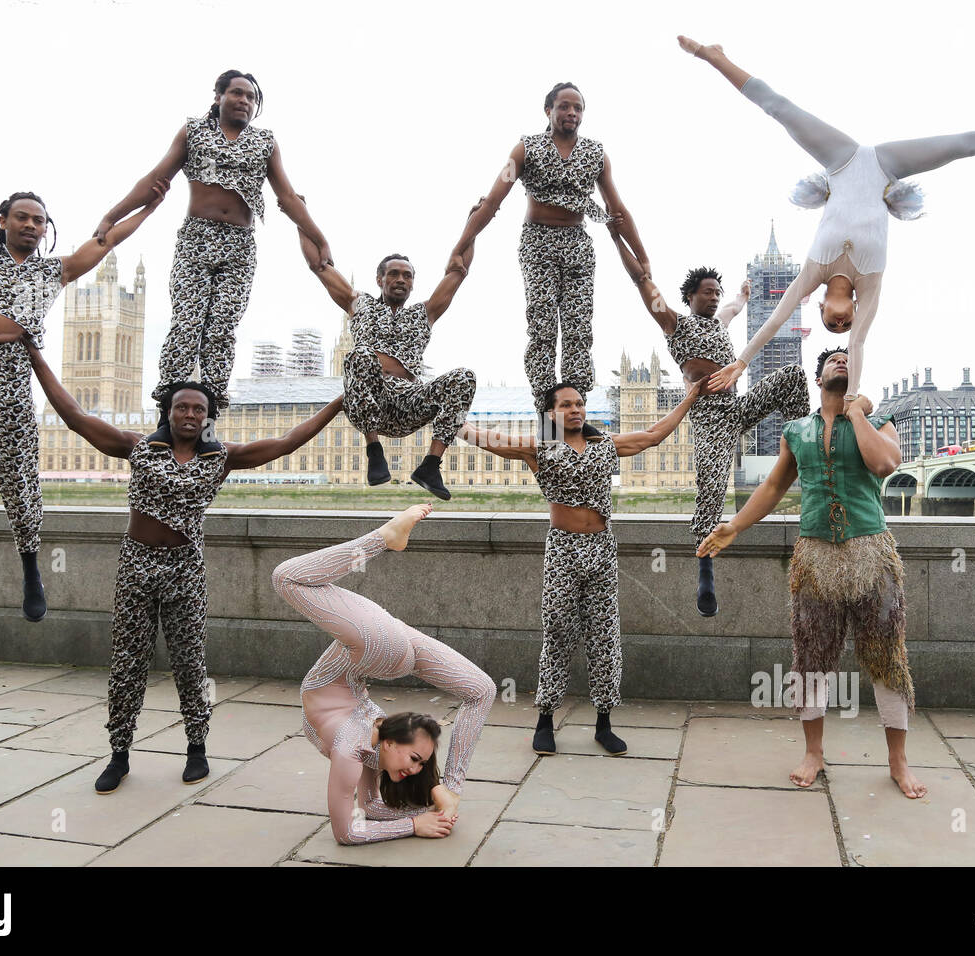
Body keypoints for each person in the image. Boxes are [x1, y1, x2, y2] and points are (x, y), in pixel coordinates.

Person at [676, 36, 975, 407]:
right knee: (971, 143)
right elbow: (858, 346)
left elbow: (773, 322)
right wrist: (854, 395)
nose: (844, 323)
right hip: (887, 168)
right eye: (845, 323)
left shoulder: (813, 271)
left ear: (824, 307)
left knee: (780, 108)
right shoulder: (869, 282)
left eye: (835, 322)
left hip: (841, 159)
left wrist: (742, 362)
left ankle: (714, 55)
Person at [26, 344, 344, 792]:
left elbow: (287, 442)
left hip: (184, 569)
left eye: (199, 408)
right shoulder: (136, 446)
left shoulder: (222, 457)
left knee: (189, 661)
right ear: (168, 412)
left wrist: (338, 402)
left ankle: (197, 747)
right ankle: (119, 754)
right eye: (182, 407)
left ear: (209, 416)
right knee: (126, 662)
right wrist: (36, 357)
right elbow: (76, 416)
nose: (190, 414)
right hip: (136, 564)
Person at [0, 101, 166, 622]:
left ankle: (30, 569)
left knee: (21, 477)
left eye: (39, 220)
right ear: (3, 220)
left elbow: (105, 240)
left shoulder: (53, 272)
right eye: (22, 216)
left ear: (46, 229)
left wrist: (148, 210)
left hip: (13, 371)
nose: (31, 225)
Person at [698, 347, 926, 798]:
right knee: (812, 660)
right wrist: (734, 527)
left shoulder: (880, 424)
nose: (841, 362)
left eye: (849, 359)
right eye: (833, 359)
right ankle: (813, 753)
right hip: (815, 557)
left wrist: (856, 411)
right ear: (817, 375)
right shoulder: (795, 431)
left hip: (871, 553)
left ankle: (898, 761)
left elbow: (884, 464)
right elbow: (774, 486)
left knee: (887, 660)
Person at [459, 379, 704, 756]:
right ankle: (545, 720)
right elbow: (485, 436)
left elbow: (654, 435)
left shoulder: (605, 446)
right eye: (566, 405)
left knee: (605, 635)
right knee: (558, 631)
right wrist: (445, 415)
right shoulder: (539, 448)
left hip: (602, 549)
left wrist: (689, 396)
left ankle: (604, 723)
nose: (575, 410)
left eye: (579, 404)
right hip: (563, 549)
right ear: (550, 414)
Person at [94, 69, 332, 446]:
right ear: (218, 96)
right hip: (196, 239)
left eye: (251, 97)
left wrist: (319, 237)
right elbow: (156, 178)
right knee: (186, 326)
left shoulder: (265, 144)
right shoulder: (193, 133)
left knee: (221, 331)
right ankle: (165, 417)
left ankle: (208, 425)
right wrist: (111, 215)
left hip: (239, 245)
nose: (244, 101)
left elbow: (287, 199)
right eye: (237, 94)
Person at [609, 225, 810, 616]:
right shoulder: (675, 324)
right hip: (711, 418)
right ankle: (705, 569)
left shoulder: (722, 322)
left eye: (717, 293)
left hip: (738, 408)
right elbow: (641, 281)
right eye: (708, 292)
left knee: (793, 377)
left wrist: (742, 296)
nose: (715, 298)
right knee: (712, 487)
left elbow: (734, 305)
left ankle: (805, 447)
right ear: (690, 296)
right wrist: (619, 239)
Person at [271, 505, 496, 844]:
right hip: (381, 645)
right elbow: (368, 811)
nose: (417, 770)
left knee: (285, 578)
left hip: (378, 646)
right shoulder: (367, 744)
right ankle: (454, 789)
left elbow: (349, 829)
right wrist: (420, 816)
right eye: (418, 761)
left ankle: (383, 538)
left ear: (389, 742)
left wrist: (429, 806)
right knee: (483, 690)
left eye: (418, 761)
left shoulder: (354, 747)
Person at [446, 82, 650, 430]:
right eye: (565, 107)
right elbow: (492, 202)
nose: (572, 113)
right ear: (548, 111)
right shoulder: (527, 149)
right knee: (542, 330)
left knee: (578, 330)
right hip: (538, 243)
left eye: (578, 108)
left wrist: (643, 259)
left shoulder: (596, 155)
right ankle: (547, 416)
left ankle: (574, 412)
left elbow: (617, 210)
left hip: (578, 245)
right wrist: (460, 245)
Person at [299, 221, 478, 500]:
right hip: (372, 404)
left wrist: (474, 224)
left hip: (410, 404)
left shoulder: (424, 314)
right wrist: (299, 216)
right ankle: (374, 450)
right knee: (360, 354)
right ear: (379, 279)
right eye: (393, 274)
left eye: (407, 276)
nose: (401, 280)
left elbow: (458, 271)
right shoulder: (361, 305)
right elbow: (319, 265)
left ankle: (430, 466)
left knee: (465, 377)